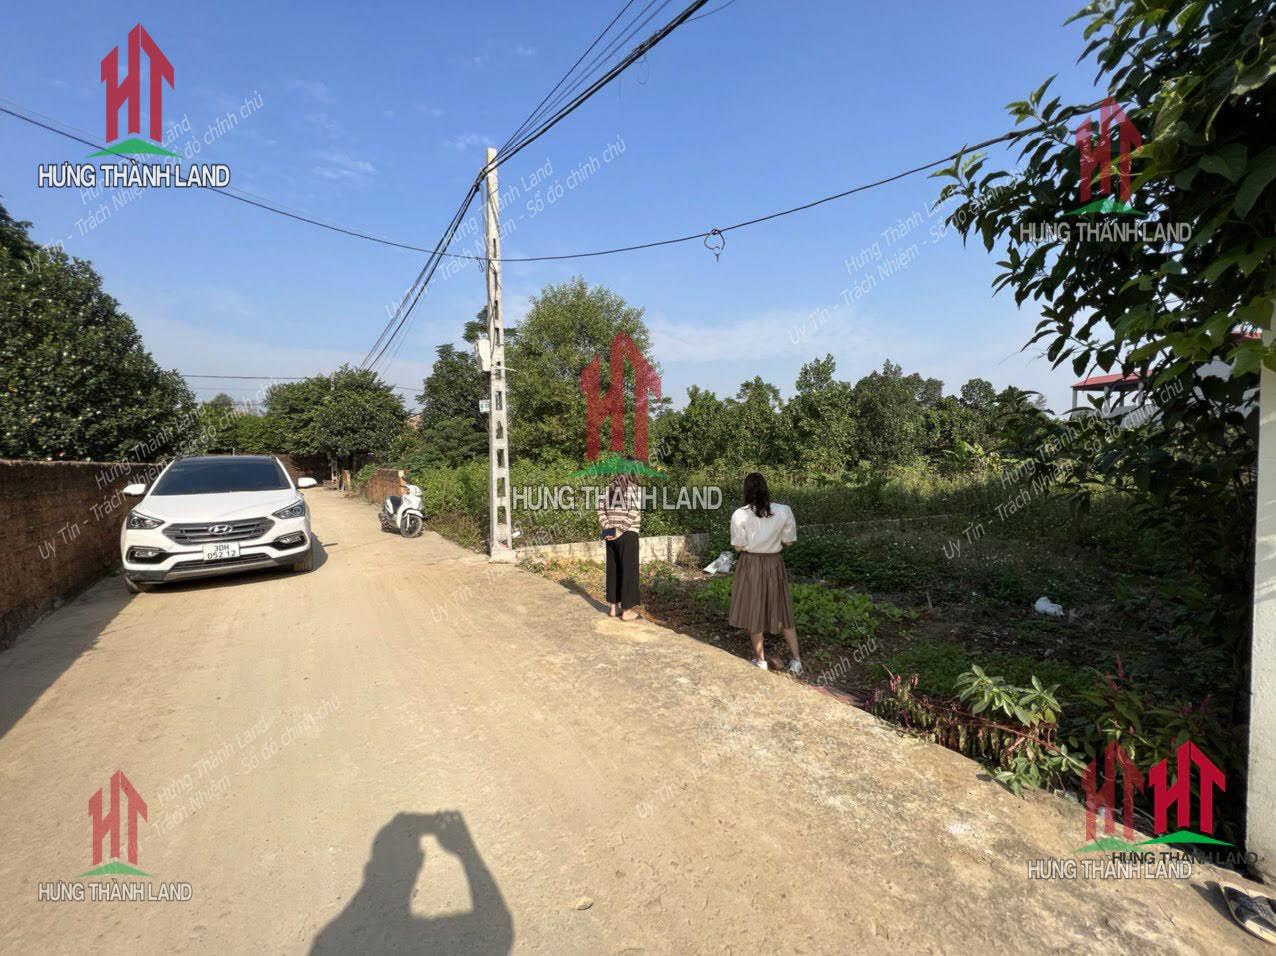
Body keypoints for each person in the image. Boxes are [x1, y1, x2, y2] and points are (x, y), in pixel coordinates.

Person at [728, 472, 802, 674]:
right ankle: (796, 660)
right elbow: (789, 541)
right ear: (766, 488)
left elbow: (738, 545)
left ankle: (760, 661)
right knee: (783, 609)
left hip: (751, 563)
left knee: (755, 608)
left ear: (746, 490)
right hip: (774, 563)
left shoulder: (740, 514)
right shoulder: (784, 511)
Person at [597, 472, 642, 620]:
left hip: (610, 534)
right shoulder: (635, 489)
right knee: (629, 571)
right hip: (628, 534)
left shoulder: (607, 489)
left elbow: (600, 510)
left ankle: (613, 608)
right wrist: (620, 530)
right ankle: (627, 611)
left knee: (613, 570)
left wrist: (608, 529)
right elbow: (633, 512)